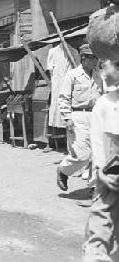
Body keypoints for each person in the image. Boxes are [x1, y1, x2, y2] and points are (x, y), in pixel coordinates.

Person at [83, 58, 119, 261]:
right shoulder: (105, 103)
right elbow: (97, 142)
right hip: (110, 177)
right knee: (101, 229)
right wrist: (100, 171)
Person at [57, 43, 102, 192]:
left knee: (97, 154)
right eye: (93, 58)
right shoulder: (72, 75)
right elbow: (63, 98)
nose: (96, 61)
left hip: (95, 116)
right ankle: (63, 171)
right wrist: (67, 118)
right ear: (84, 58)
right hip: (78, 116)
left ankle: (94, 187)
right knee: (81, 155)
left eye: (96, 58)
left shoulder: (98, 76)